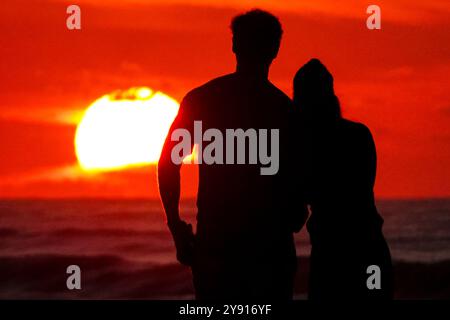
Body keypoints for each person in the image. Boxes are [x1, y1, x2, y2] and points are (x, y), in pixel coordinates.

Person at [158, 9, 307, 300]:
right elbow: (300, 181)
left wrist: (175, 224)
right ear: (275, 49)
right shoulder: (285, 110)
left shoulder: (202, 100)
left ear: (234, 45)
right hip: (269, 251)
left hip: (218, 247)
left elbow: (168, 164)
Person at [293, 58, 393, 299]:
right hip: (370, 248)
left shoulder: (305, 146)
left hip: (332, 257)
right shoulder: (359, 134)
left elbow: (298, 210)